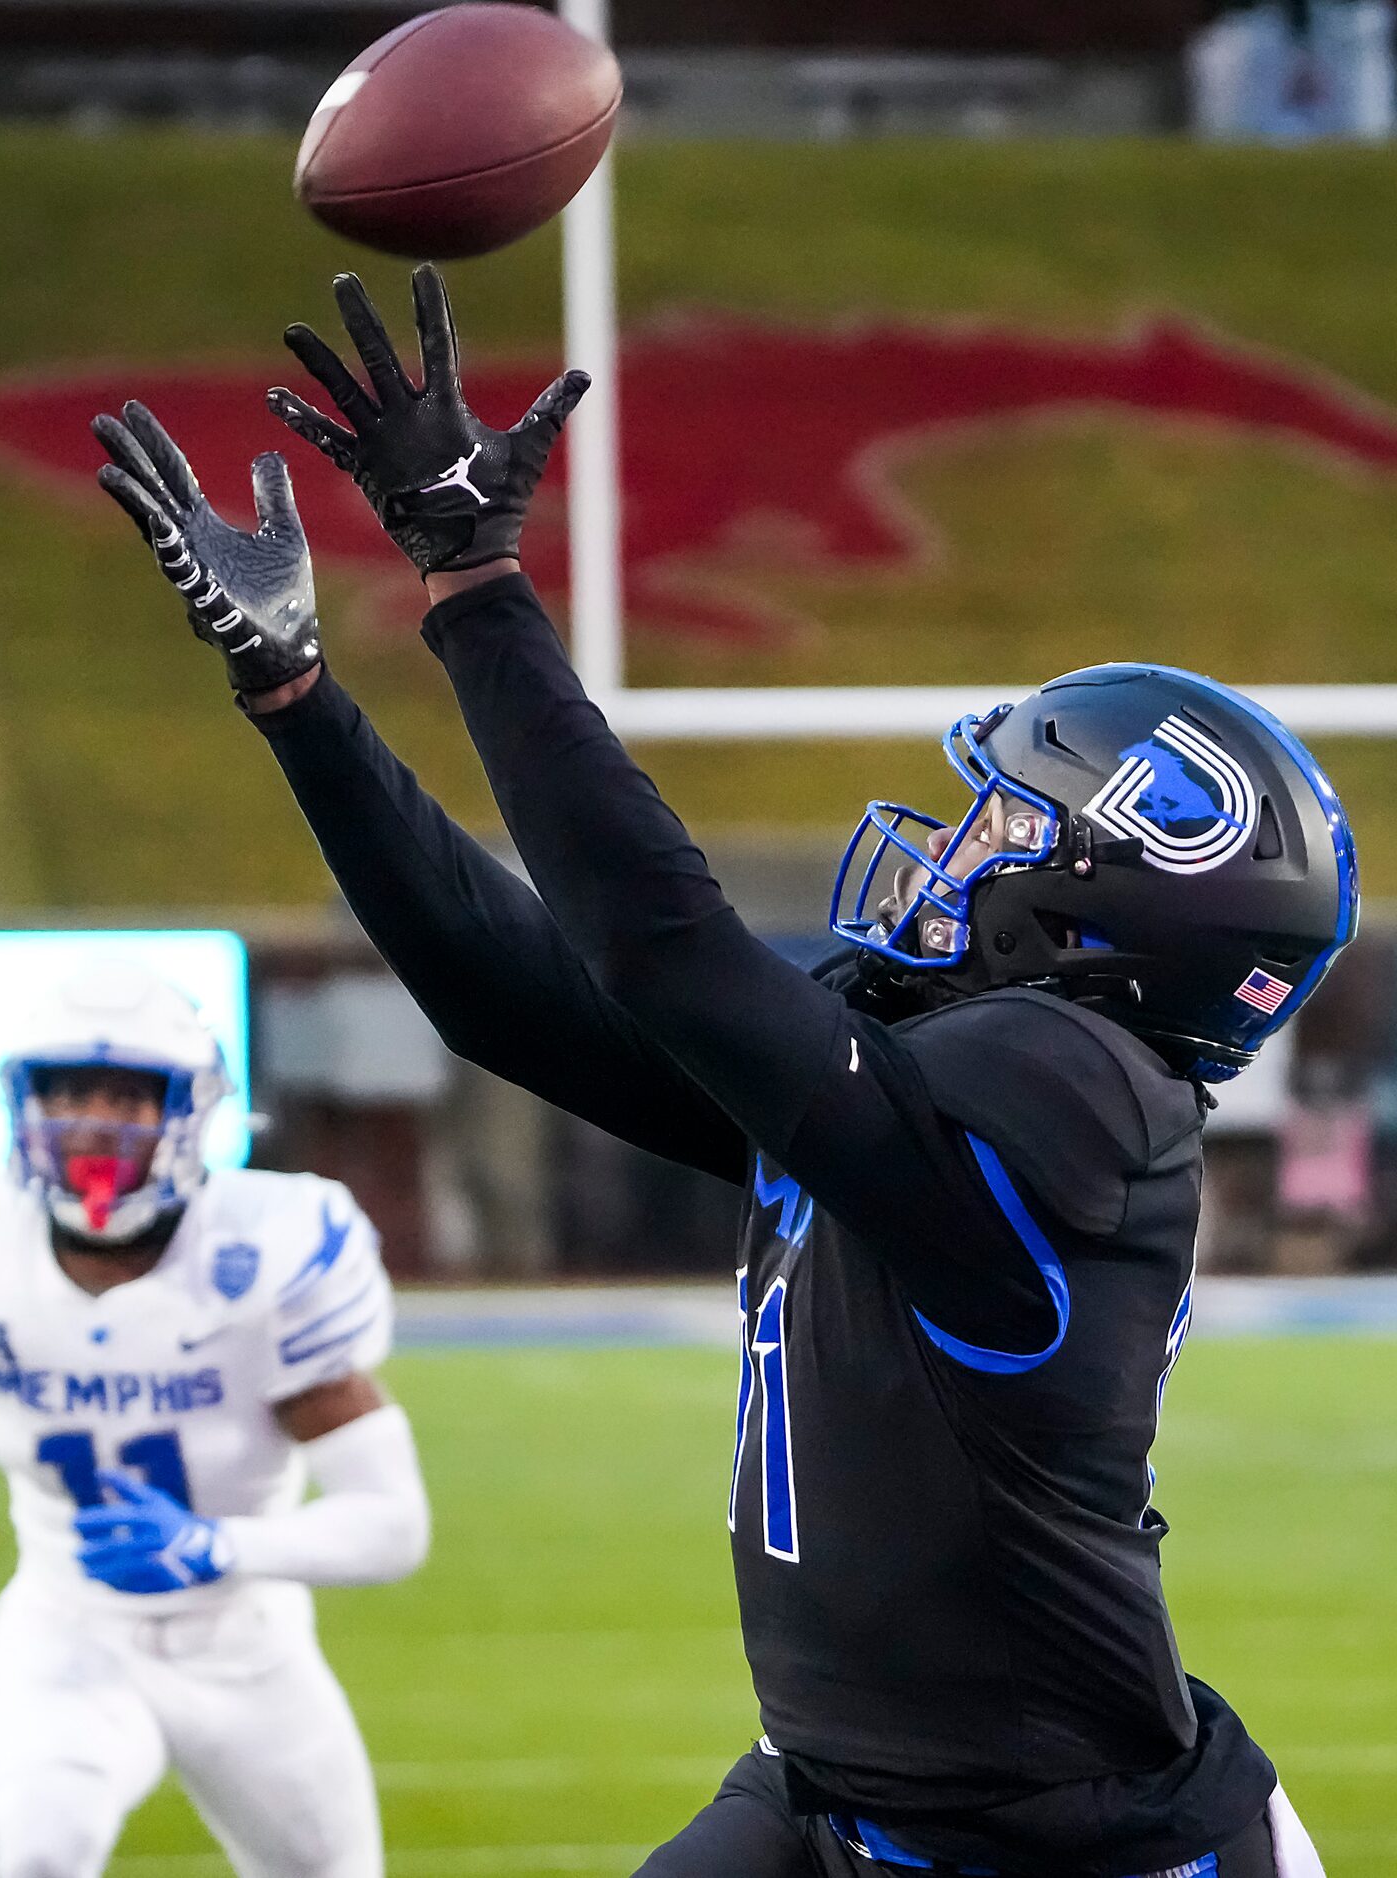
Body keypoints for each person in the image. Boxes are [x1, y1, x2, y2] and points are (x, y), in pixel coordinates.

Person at [93, 266, 1354, 1877]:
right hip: (839, 1795)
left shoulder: (1069, 1099)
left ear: (1113, 899)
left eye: (1014, 823)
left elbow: (660, 945)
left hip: (1072, 1849)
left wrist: (477, 583)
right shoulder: (936, 1081)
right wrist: (299, 703)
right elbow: (516, 996)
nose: (962, 843)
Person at [0, 955, 428, 1878]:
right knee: (44, 1853)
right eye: (68, 1092)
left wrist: (216, 1547)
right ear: (20, 1104)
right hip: (68, 1632)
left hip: (249, 1650)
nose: (93, 1123)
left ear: (189, 1113)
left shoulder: (269, 1253)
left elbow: (394, 1525)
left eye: (128, 1097)